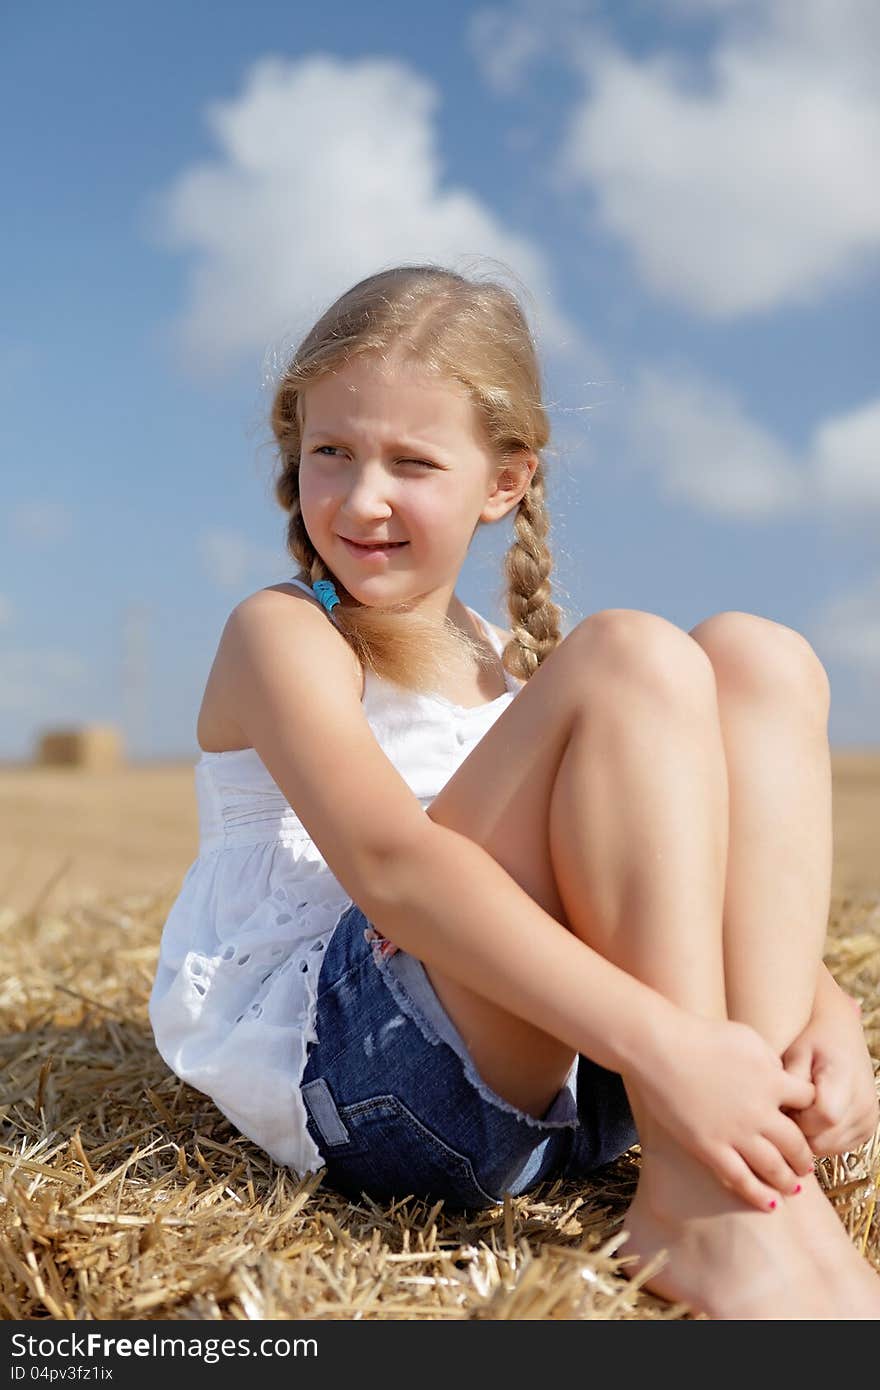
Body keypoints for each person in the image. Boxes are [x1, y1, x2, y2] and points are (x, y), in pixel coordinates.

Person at [149, 264, 879, 1320]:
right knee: (632, 652)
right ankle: (714, 1202)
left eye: (411, 462)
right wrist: (670, 1045)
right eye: (331, 454)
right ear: (292, 453)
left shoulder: (510, 667)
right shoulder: (283, 634)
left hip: (576, 1079)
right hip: (370, 1071)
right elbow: (397, 874)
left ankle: (755, 1175)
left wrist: (826, 1004)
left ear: (503, 483)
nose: (361, 498)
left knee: (755, 657)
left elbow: (665, 864)